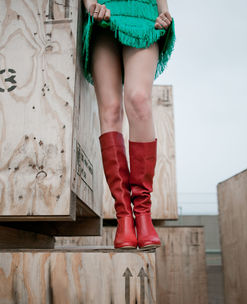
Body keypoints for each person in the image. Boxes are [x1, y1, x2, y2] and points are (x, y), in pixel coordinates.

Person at [82, 0, 176, 249]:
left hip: (143, 13)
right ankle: (124, 216)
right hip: (104, 12)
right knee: (110, 110)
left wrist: (163, 9)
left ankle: (143, 214)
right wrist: (90, 3)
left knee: (138, 99)